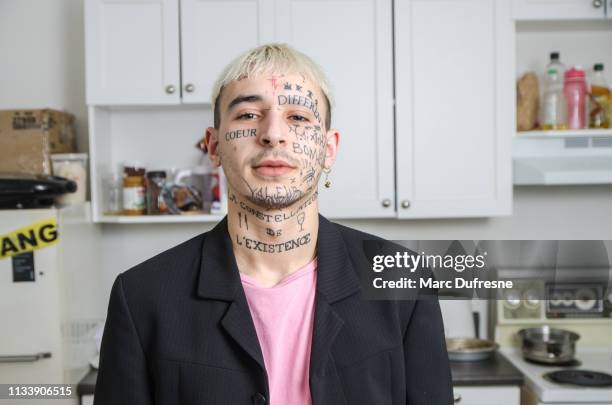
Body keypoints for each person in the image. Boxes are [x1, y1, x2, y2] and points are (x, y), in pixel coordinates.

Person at [94, 43, 452, 405]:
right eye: (249, 115)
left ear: (328, 149)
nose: (273, 134)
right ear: (214, 146)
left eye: (298, 117)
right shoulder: (141, 296)